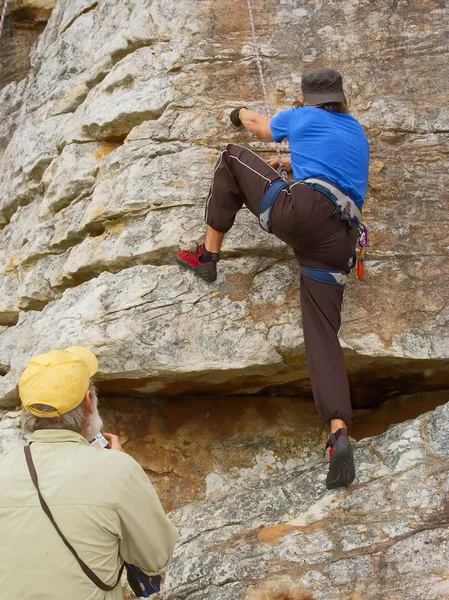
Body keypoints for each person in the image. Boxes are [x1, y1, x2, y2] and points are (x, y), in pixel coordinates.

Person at [176, 67, 370, 489]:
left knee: (231, 155)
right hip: (342, 239)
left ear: (309, 99)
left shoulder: (301, 117)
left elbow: (259, 126)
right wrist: (293, 165)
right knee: (323, 334)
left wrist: (238, 111)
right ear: (340, 99)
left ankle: (206, 255)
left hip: (304, 212)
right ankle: (339, 432)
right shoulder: (356, 131)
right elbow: (326, 169)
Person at [0, 346, 178, 599]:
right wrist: (121, 473)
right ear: (88, 402)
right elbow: (157, 558)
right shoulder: (118, 470)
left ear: (27, 409)